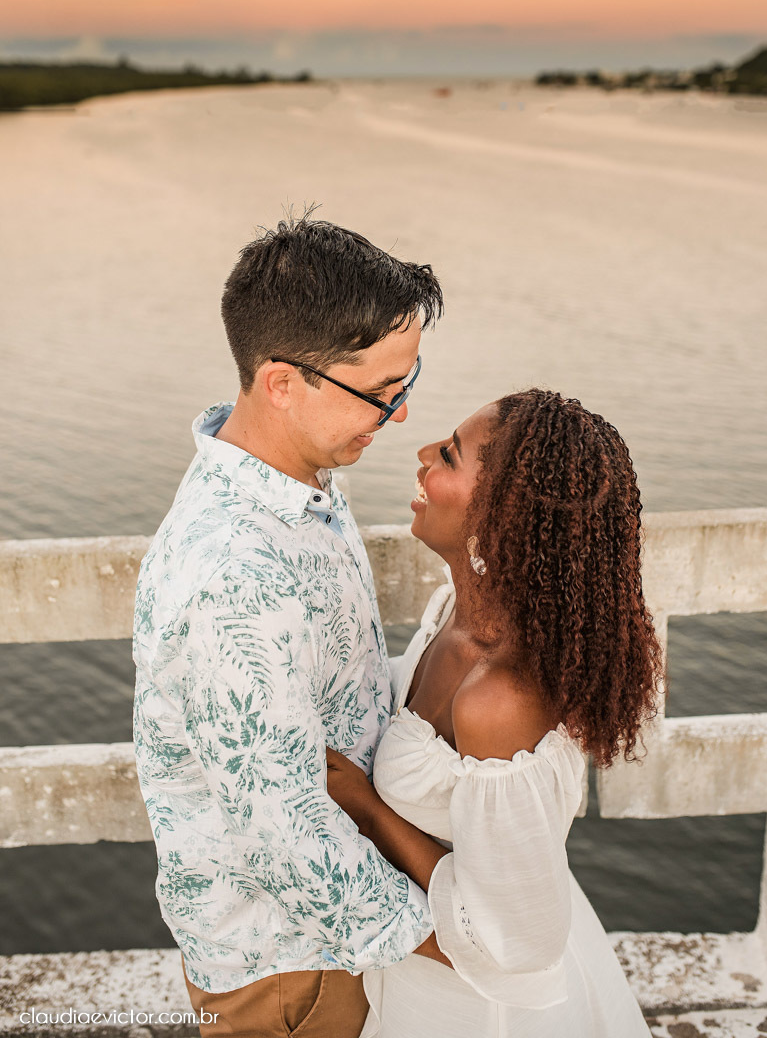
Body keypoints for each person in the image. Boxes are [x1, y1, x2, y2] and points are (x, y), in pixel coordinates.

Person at [132, 214, 446, 1038]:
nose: (399, 414)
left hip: (328, 939)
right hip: (292, 967)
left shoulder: (294, 481)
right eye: (380, 392)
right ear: (280, 383)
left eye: (405, 382)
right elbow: (282, 835)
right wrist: (453, 940)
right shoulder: (237, 573)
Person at [326, 388, 663, 1037]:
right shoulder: (456, 611)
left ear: (501, 515)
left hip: (479, 1010)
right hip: (415, 970)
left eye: (450, 455)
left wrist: (365, 808)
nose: (423, 454)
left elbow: (517, 943)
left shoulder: (498, 698)